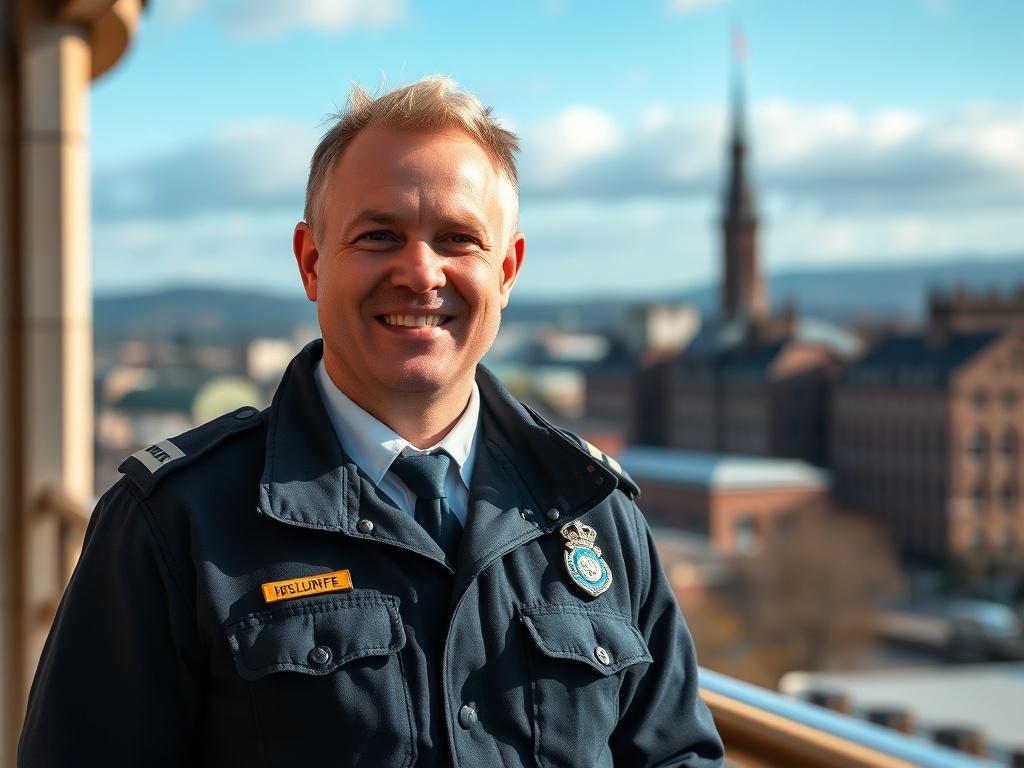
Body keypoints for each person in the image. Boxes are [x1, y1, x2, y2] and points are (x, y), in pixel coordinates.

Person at [19, 77, 724, 767]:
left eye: (458, 239)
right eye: (380, 235)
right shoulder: (174, 521)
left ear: (507, 271)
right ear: (311, 263)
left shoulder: (592, 511)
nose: (421, 273)